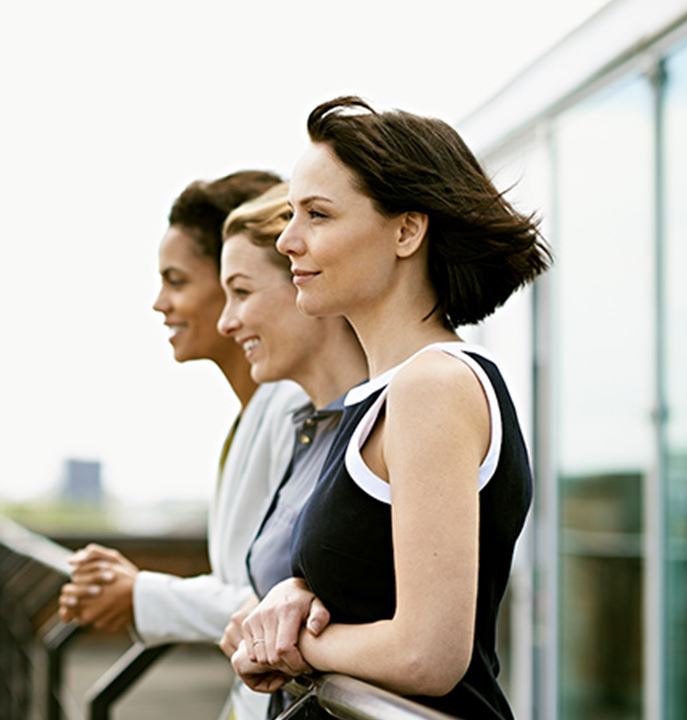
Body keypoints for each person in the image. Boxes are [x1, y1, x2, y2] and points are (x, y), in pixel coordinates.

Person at [231, 97, 550, 720]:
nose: (288, 239)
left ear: (407, 230)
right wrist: (295, 597)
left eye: (317, 214)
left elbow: (428, 654)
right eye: (291, 214)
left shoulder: (433, 385)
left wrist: (292, 645)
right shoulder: (388, 393)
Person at [58, 170, 304, 720]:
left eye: (176, 280)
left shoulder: (295, 409)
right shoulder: (255, 412)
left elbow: (264, 602)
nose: (158, 303)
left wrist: (140, 593)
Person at [212, 182, 368, 716]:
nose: (226, 321)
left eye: (242, 291)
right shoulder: (307, 429)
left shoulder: (374, 429)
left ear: (303, 282)